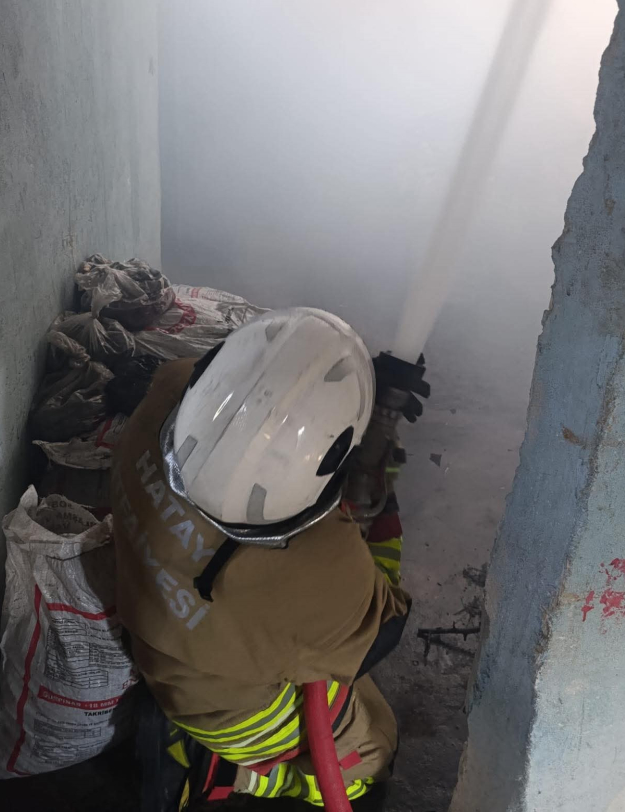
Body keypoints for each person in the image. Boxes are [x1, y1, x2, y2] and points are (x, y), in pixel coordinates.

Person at [111, 308, 422, 809]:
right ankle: (226, 771)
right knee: (373, 752)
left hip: (146, 632)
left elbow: (250, 409)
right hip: (224, 713)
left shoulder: (166, 390)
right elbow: (384, 626)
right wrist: (378, 477)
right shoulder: (319, 563)